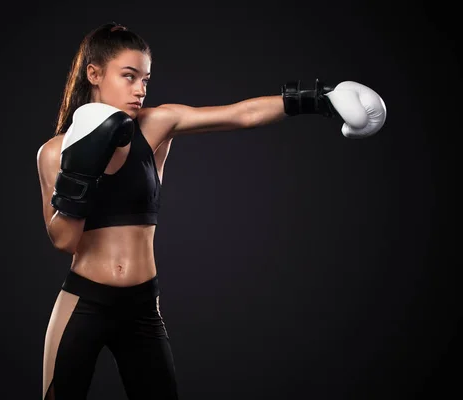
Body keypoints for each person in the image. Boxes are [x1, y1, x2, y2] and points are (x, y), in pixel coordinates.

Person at [36, 21, 386, 400]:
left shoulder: (155, 125)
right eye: (129, 76)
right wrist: (80, 173)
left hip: (141, 307)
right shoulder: (54, 152)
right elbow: (66, 241)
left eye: (146, 80)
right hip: (83, 303)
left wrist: (318, 99)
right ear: (94, 74)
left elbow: (240, 115)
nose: (140, 89)